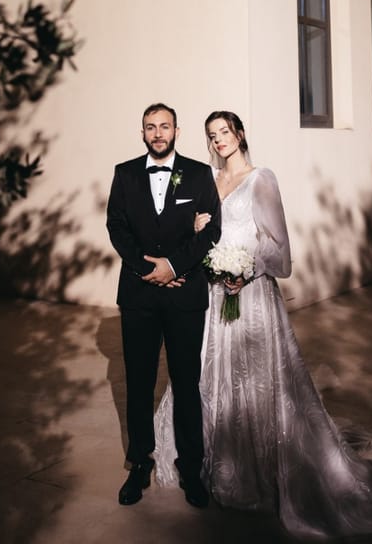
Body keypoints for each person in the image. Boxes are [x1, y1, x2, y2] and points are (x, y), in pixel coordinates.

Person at [154, 110, 372, 538]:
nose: (219, 140)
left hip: (250, 296)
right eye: (212, 135)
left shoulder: (261, 179)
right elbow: (199, 238)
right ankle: (211, 463)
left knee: (255, 382)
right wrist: (196, 228)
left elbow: (280, 251)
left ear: (240, 134)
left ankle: (257, 472)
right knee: (204, 376)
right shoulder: (209, 182)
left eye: (225, 132)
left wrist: (245, 271)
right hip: (213, 298)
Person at [106, 102, 222, 508]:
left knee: (186, 383)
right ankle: (139, 464)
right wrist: (147, 269)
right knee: (138, 382)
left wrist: (173, 266)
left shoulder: (199, 174)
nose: (158, 133)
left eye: (165, 126)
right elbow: (116, 227)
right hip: (138, 295)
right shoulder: (124, 174)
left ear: (176, 131)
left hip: (184, 293)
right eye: (150, 127)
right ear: (142, 133)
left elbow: (211, 230)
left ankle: (192, 469)